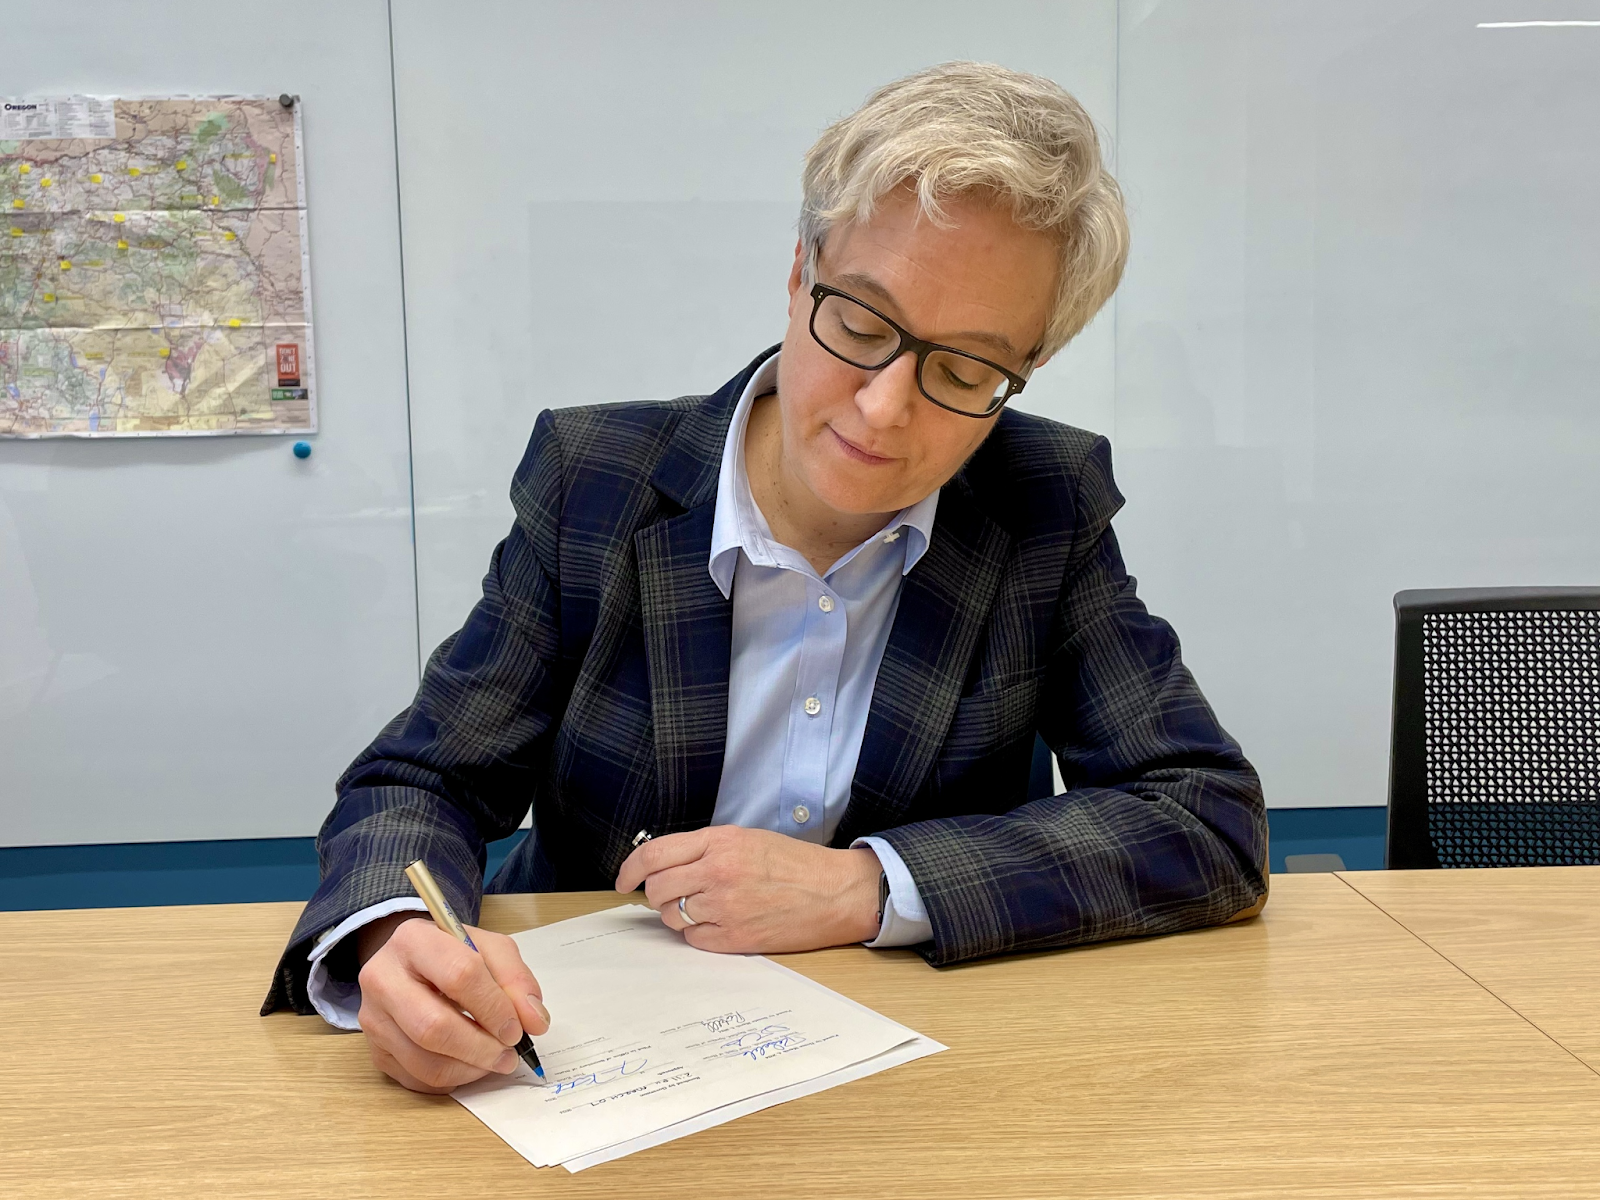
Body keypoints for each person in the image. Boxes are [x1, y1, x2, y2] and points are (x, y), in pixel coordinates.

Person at [262, 61, 1268, 1094]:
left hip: (921, 1070)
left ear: (1025, 370)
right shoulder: (596, 485)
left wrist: (869, 888)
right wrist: (392, 934)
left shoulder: (1041, 505)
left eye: (965, 370)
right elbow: (421, 780)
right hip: (579, 1050)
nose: (884, 408)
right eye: (862, 325)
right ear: (799, 273)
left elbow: (1203, 816)